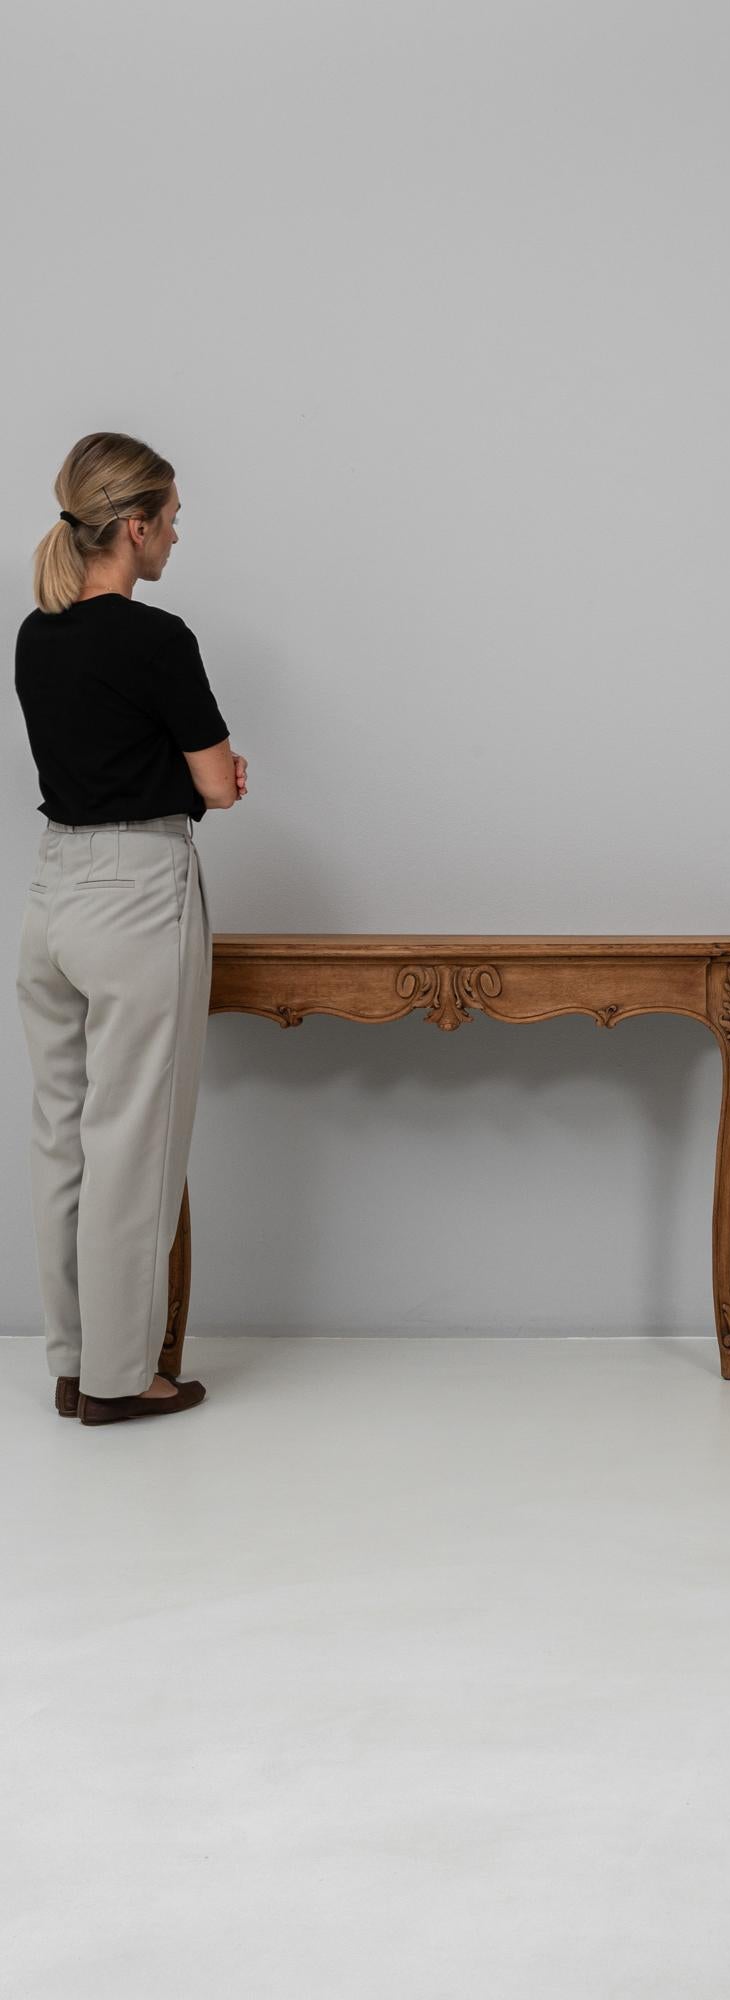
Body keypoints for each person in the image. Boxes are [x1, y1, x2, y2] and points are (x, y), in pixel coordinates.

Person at [13, 432, 247, 1425]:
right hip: (137, 888)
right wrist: (224, 777)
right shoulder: (159, 639)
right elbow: (216, 783)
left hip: (53, 893)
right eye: (173, 518)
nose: (178, 536)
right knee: (133, 1143)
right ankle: (121, 1377)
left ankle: (74, 1361)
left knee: (64, 1138)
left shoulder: (37, 633)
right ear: (136, 525)